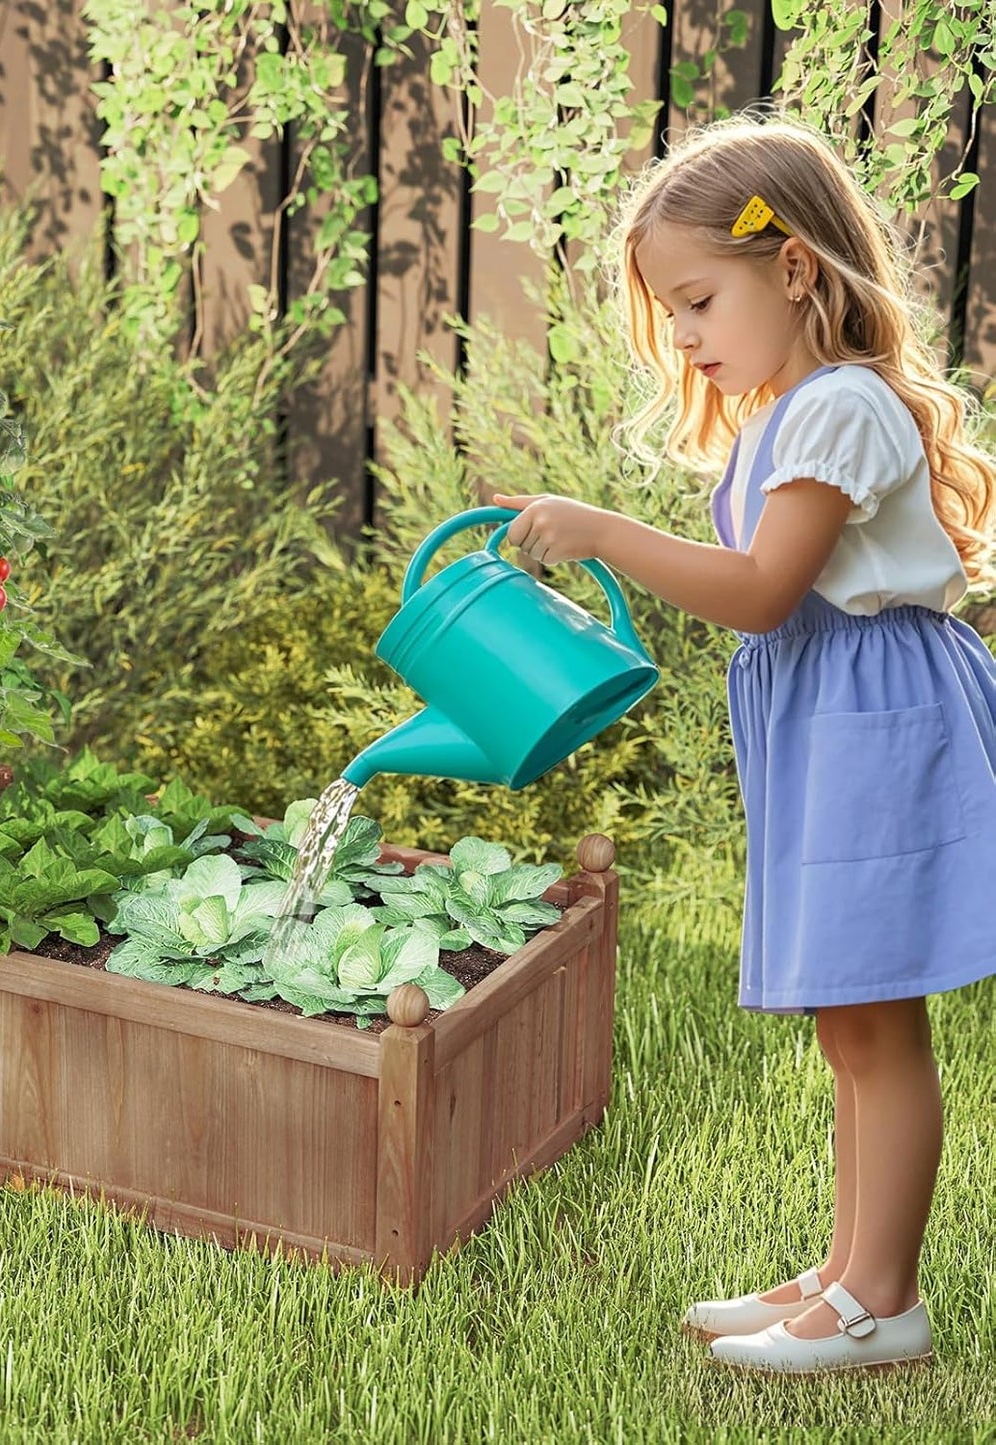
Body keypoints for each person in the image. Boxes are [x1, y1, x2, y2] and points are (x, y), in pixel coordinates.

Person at [492, 113, 996, 1375]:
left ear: (793, 269)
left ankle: (881, 1300)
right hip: (836, 727)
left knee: (875, 1024)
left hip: (877, 730)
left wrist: (605, 532)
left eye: (696, 300)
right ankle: (843, 1269)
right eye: (670, 313)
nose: (684, 337)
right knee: (850, 1019)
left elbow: (766, 589)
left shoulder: (839, 410)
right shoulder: (794, 410)